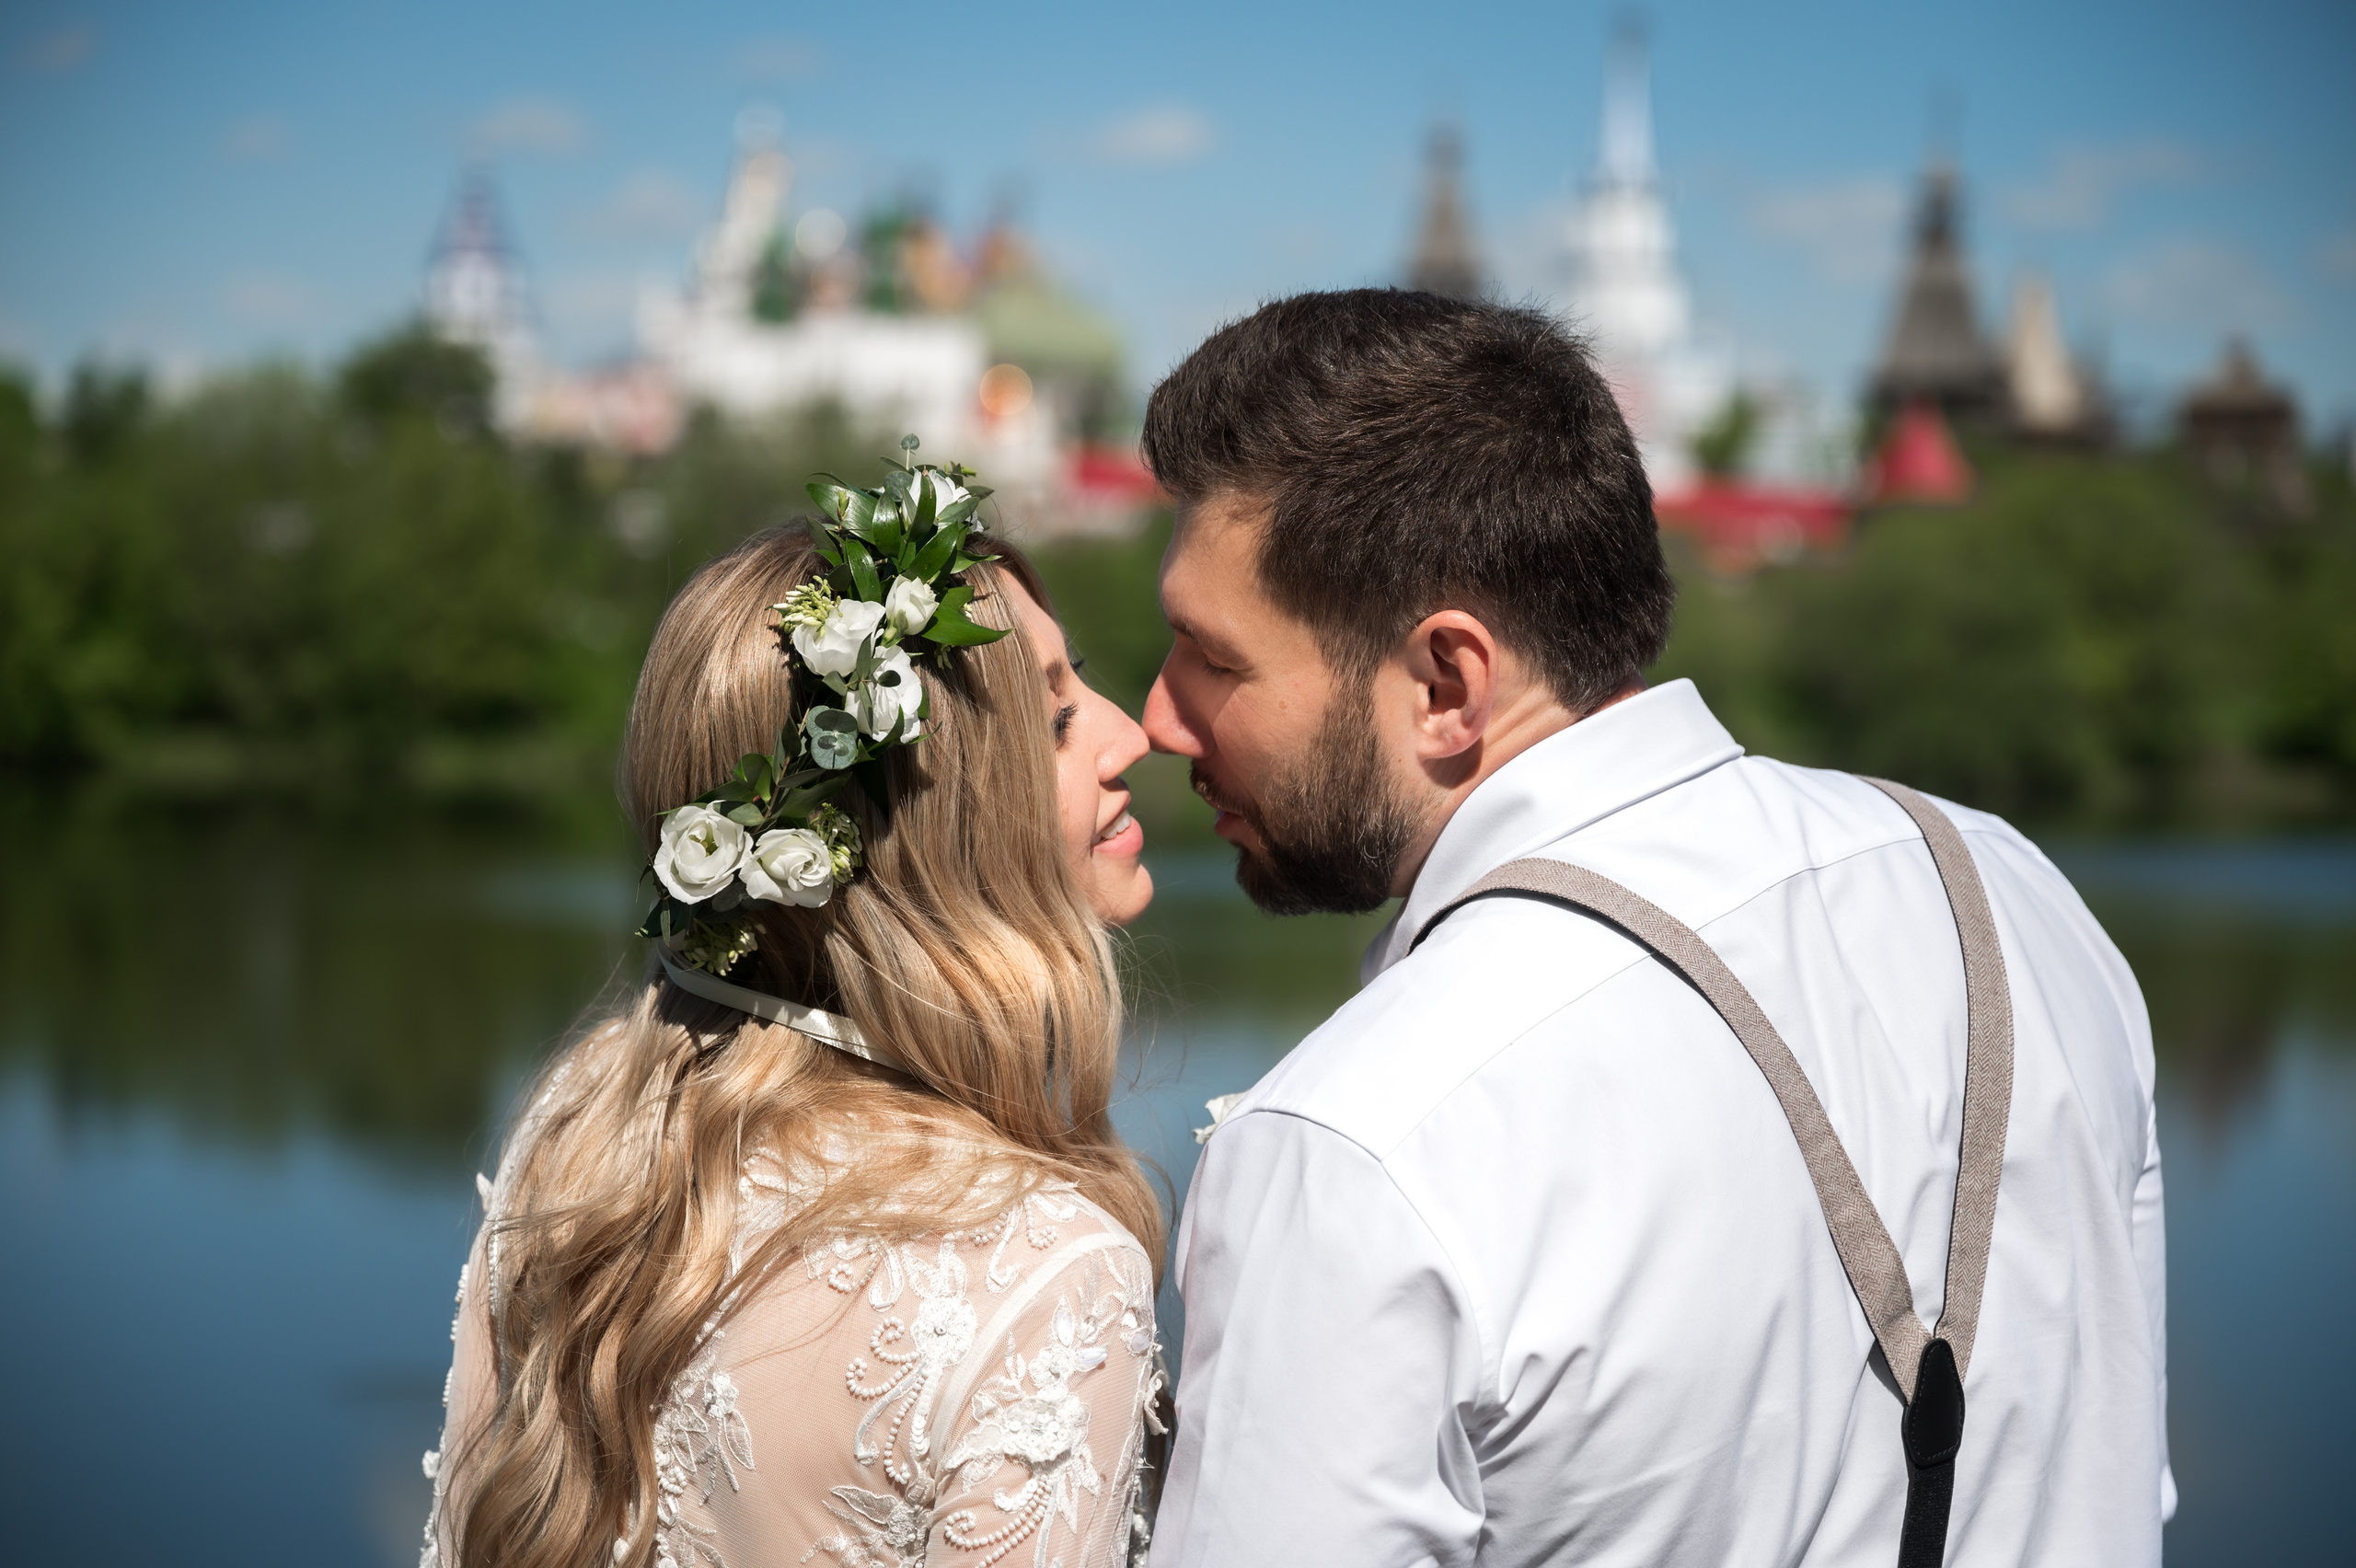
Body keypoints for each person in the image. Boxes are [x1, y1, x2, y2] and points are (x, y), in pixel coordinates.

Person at [1138, 290, 2170, 1566]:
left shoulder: (1361, 1141)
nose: (1158, 719)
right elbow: (2118, 1469)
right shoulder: (2011, 889)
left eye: (1213, 659)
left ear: (1448, 683)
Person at [422, 455, 1168, 1568]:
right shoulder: (1045, 1277)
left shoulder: (585, 1133)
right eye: (1056, 722)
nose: (1130, 736)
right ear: (931, 835)